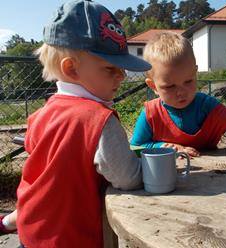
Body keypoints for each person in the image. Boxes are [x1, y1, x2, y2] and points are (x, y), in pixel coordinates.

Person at [0, 0, 151, 246]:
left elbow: (37, 152)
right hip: (71, 237)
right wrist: (153, 167)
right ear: (71, 69)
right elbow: (127, 177)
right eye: (110, 68)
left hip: (32, 230)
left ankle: (7, 222)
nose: (122, 76)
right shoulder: (100, 120)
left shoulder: (40, 115)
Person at [131, 32, 226, 160]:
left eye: (188, 81)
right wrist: (162, 147)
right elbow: (136, 146)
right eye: (170, 86)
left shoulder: (207, 105)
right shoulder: (151, 114)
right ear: (153, 86)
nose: (181, 92)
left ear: (195, 73)